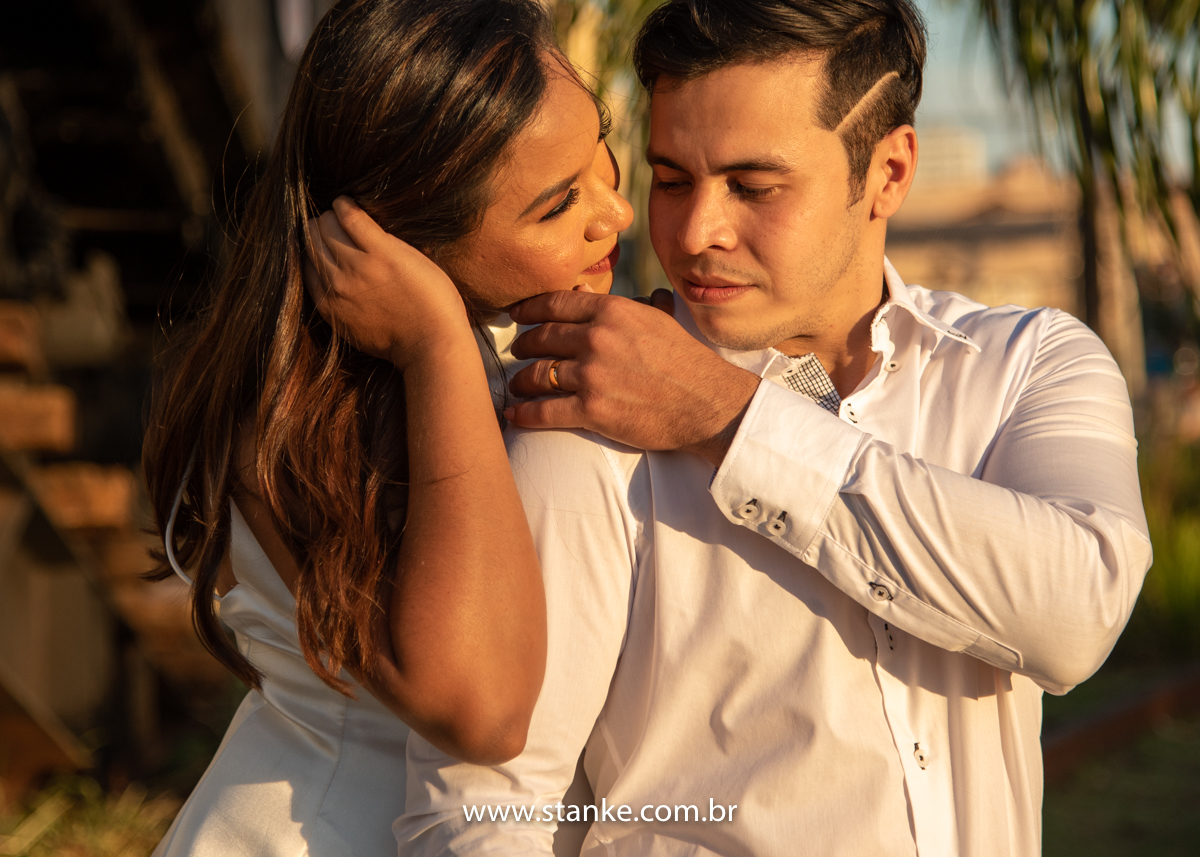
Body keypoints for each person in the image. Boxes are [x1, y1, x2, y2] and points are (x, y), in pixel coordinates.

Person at [315, 0, 1152, 854]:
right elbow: (477, 813)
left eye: (754, 187)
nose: (693, 231)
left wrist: (725, 415)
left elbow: (1078, 611)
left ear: (890, 172)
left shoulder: (1027, 364)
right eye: (671, 177)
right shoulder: (581, 416)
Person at [141, 0, 632, 854]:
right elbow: (481, 708)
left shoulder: (448, 364)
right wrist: (436, 343)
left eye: (606, 162)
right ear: (402, 239)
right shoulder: (315, 412)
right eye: (557, 206)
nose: (613, 216)